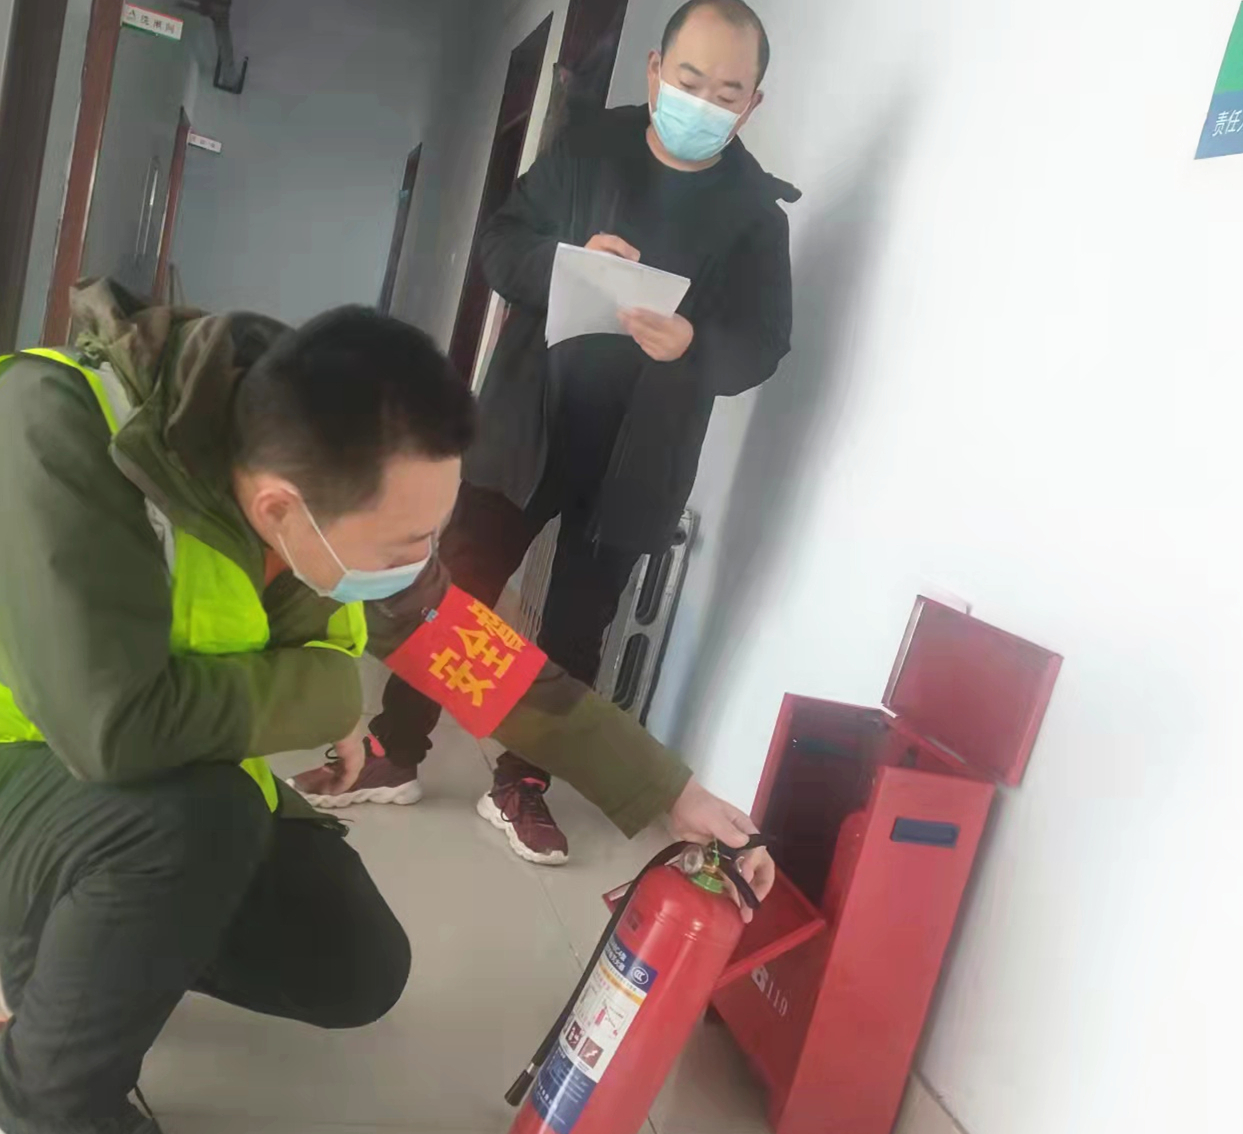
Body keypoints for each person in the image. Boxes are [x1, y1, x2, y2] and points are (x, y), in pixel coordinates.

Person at [0, 280, 774, 1134]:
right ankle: (46, 1102)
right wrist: (329, 696)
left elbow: (485, 666)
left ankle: (94, 952)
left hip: (146, 790)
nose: (420, 564)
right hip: (40, 767)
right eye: (406, 544)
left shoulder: (324, 476)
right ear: (279, 510)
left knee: (351, 965)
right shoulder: (60, 431)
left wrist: (672, 792)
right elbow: (113, 726)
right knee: (201, 815)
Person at [293, 0, 798, 867]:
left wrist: (693, 342)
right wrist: (566, 261)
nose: (705, 102)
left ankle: (521, 782)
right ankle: (396, 749)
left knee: (581, 623)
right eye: (690, 81)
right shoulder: (588, 148)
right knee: (457, 591)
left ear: (751, 104)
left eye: (727, 93)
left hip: (643, 452)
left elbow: (762, 344)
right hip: (531, 418)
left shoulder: (757, 215)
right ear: (655, 73)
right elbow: (501, 246)